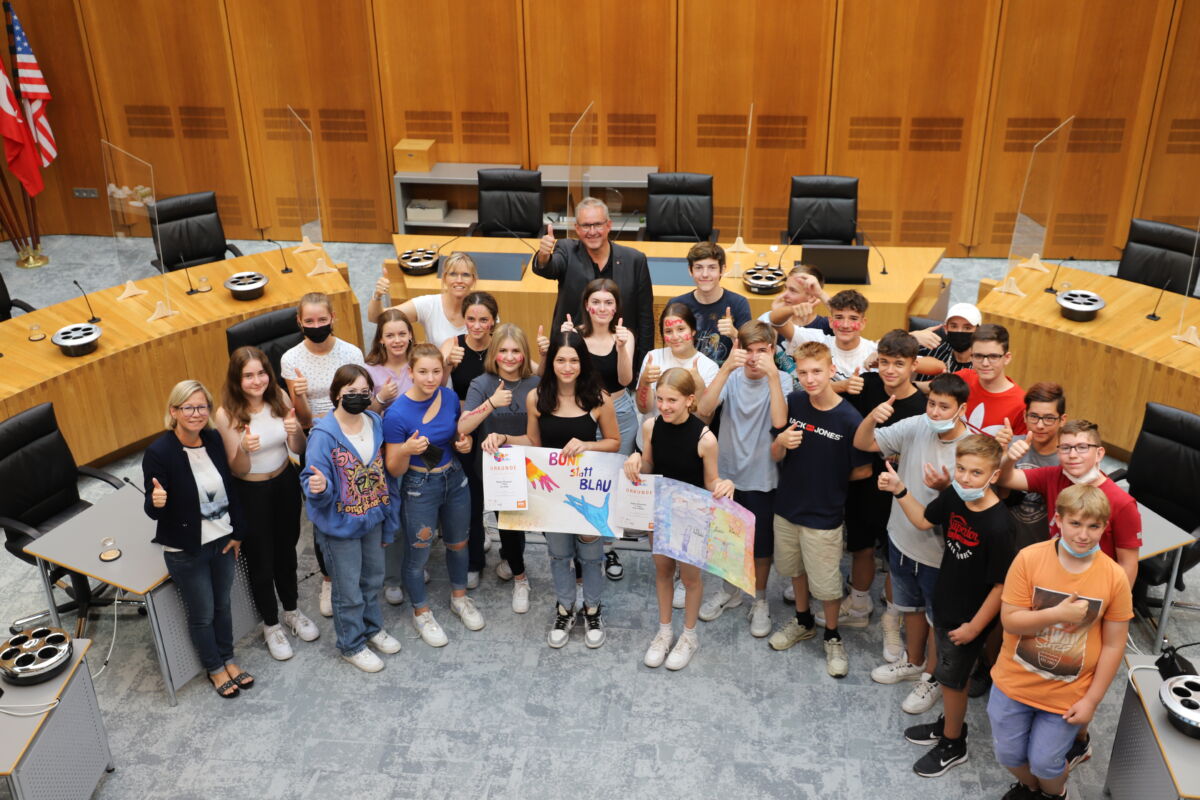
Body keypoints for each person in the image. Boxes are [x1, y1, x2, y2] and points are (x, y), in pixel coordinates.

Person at [879, 435, 1016, 778]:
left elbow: (1002, 586)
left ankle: (953, 744)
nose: (966, 478)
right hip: (946, 602)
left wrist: (974, 627)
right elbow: (925, 520)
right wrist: (899, 489)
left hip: (969, 617)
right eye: (961, 469)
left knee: (953, 682)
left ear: (994, 476)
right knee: (946, 672)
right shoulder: (955, 495)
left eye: (976, 472)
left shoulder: (1000, 526)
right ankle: (947, 726)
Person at [987, 484, 1132, 800]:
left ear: (1104, 527)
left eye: (1094, 526)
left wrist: (1091, 701)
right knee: (1009, 754)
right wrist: (1057, 614)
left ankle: (1054, 794)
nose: (1083, 534)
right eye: (1075, 523)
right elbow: (1010, 619)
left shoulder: (1114, 577)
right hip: (1014, 683)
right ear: (1058, 520)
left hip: (1067, 693)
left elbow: (1113, 644)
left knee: (1046, 761)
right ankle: (1031, 788)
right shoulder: (1029, 559)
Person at [854, 372, 972, 714]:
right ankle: (914, 661)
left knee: (938, 620)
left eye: (943, 407)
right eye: (932, 403)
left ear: (961, 409)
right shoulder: (917, 423)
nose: (934, 412)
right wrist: (870, 419)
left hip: (939, 554)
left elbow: (968, 510)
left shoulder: (969, 450)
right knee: (911, 609)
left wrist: (945, 490)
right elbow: (865, 443)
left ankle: (931, 678)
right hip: (901, 539)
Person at [767, 341, 872, 678]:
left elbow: (863, 470)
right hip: (786, 508)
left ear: (831, 371)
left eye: (816, 371)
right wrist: (781, 443)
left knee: (826, 585)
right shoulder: (794, 402)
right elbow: (775, 454)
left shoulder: (849, 418)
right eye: (803, 372)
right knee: (794, 570)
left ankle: (831, 633)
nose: (810, 379)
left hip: (824, 515)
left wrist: (829, 478)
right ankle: (802, 621)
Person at [142, 380, 253, 698]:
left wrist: (238, 532)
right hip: (186, 550)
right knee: (203, 613)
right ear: (174, 411)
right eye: (188, 407)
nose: (196, 413)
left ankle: (229, 659)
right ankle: (215, 669)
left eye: (202, 406)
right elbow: (153, 509)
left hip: (222, 541)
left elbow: (231, 489)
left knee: (223, 606)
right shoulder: (159, 452)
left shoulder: (213, 439)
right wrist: (156, 502)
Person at [214, 346, 319, 661]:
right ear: (237, 379)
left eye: (261, 373)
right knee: (261, 561)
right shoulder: (226, 414)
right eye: (248, 375)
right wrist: (244, 448)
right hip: (252, 492)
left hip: (285, 482)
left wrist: (297, 431)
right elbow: (238, 469)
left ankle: (291, 610)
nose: (257, 380)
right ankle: (270, 624)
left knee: (287, 552)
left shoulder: (280, 398)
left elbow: (298, 448)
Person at [627, 368, 734, 670]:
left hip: (692, 516)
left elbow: (711, 482)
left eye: (672, 400)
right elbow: (648, 465)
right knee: (662, 571)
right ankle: (664, 631)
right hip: (660, 510)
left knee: (690, 578)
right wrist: (636, 459)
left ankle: (689, 635)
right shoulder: (650, 427)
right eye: (660, 399)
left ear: (690, 400)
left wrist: (727, 485)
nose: (664, 406)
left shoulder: (705, 439)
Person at [299, 365, 402, 673]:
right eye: (350, 393)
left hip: (372, 517)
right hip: (340, 525)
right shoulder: (323, 435)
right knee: (348, 590)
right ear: (336, 395)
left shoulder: (374, 420)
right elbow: (312, 479)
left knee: (372, 579)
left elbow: (383, 473)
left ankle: (372, 629)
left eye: (364, 392)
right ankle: (351, 643)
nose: (358, 398)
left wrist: (389, 517)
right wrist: (318, 487)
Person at [524, 331, 620, 649]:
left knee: (591, 556)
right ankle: (565, 607)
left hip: (587, 491)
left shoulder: (598, 398)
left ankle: (592, 608)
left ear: (583, 362)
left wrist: (587, 444)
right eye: (561, 360)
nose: (567, 367)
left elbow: (615, 442)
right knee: (558, 554)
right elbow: (533, 443)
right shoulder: (537, 398)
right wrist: (500, 439)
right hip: (551, 493)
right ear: (551, 362)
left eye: (574, 360)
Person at [694, 320, 790, 636]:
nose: (753, 358)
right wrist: (724, 370)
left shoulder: (784, 381)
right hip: (727, 475)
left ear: (773, 351)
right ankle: (729, 591)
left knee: (761, 548)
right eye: (747, 351)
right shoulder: (732, 378)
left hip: (764, 477)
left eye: (761, 351)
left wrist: (774, 375)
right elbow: (703, 411)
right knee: (727, 541)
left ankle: (759, 599)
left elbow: (779, 423)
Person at [383, 344, 479, 647]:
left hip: (454, 478)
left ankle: (459, 598)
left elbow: (455, 436)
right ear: (410, 372)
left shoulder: (449, 397)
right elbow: (393, 469)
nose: (430, 378)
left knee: (459, 543)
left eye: (437, 371)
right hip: (418, 486)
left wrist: (465, 443)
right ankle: (421, 612)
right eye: (423, 371)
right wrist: (406, 451)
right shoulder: (396, 414)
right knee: (418, 553)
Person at [279, 291, 367, 617]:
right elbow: (301, 419)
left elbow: (357, 401)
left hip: (349, 434)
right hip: (315, 438)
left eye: (322, 319)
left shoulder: (350, 352)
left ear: (333, 319)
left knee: (355, 501)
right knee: (321, 510)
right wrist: (299, 397)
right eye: (309, 321)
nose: (316, 325)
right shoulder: (291, 359)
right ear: (300, 322)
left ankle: (358, 568)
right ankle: (328, 577)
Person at [840, 330, 928, 649]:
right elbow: (845, 421)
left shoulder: (921, 405)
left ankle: (893, 617)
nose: (890, 370)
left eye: (899, 364)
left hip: (899, 492)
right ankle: (860, 602)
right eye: (885, 362)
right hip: (863, 483)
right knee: (861, 546)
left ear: (913, 365)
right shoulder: (868, 384)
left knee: (894, 559)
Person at [998, 419, 1141, 588]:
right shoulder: (1054, 475)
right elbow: (1005, 478)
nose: (1072, 455)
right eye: (1065, 448)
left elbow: (1128, 565)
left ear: (1100, 454)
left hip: (1093, 584)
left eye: (1082, 447)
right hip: (1054, 572)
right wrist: (1009, 459)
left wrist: (1113, 608)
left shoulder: (1122, 503)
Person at [459, 323, 541, 614]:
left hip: (530, 467)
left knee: (524, 525)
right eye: (503, 351)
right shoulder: (481, 384)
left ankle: (512, 559)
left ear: (524, 353)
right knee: (506, 524)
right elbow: (464, 426)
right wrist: (491, 404)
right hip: (497, 472)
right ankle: (521, 578)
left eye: (516, 351)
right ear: (494, 354)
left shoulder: (536, 383)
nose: (509, 357)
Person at [562, 278, 637, 579]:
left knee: (612, 484)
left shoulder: (624, 335)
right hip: (583, 412)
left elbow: (626, 379)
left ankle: (605, 548)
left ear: (616, 306)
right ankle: (581, 547)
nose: (602, 308)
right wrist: (564, 342)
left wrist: (621, 349)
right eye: (597, 302)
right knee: (584, 481)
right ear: (586, 305)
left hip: (620, 410)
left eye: (609, 302)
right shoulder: (575, 335)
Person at [534, 197, 654, 364]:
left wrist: (643, 366)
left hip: (620, 356)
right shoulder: (567, 250)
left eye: (597, 224)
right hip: (573, 355)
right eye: (585, 225)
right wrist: (544, 256)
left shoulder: (635, 260)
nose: (592, 231)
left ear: (609, 225)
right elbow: (549, 268)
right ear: (576, 228)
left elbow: (645, 318)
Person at [442, 291, 499, 590]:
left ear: (493, 322)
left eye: (483, 320)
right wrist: (448, 365)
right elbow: (432, 387)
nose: (476, 326)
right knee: (472, 496)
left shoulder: (501, 346)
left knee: (506, 495)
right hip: (466, 427)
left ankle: (511, 558)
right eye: (471, 319)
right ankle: (475, 560)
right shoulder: (453, 345)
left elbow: (528, 373)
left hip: (499, 428)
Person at [367, 251, 477, 347]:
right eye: (453, 274)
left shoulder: (482, 308)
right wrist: (377, 295)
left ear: (473, 279)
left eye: (465, 275)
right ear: (444, 278)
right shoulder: (429, 304)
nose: (459, 280)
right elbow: (376, 318)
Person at [1005, 382, 1067, 551]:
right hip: (1006, 545)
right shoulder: (1010, 446)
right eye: (1034, 417)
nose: (1040, 425)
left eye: (1048, 418)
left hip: (1044, 551)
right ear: (1025, 417)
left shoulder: (1069, 459)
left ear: (1062, 420)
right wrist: (1003, 458)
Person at [668, 241, 751, 365]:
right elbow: (669, 350)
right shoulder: (677, 305)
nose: (705, 274)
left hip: (726, 377)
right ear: (690, 270)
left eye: (712, 268)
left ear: (722, 270)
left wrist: (734, 334)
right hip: (686, 374)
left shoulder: (739, 304)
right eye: (698, 268)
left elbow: (750, 352)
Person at [777, 289, 878, 390]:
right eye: (839, 317)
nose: (845, 325)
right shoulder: (817, 341)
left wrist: (881, 355)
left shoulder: (875, 352)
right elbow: (776, 322)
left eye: (853, 319)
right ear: (830, 321)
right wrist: (792, 310)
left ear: (863, 323)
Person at [955, 324, 1027, 438]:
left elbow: (1021, 450)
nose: (985, 363)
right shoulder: (962, 378)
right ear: (971, 357)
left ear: (1007, 358)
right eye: (978, 356)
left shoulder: (1021, 404)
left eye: (993, 356)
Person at [363, 308, 415, 415]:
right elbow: (366, 416)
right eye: (390, 336)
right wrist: (381, 398)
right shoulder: (369, 370)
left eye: (402, 334)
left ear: (410, 335)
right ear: (381, 339)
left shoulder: (419, 362)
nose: (397, 340)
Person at [910, 302, 981, 375]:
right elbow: (899, 354)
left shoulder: (984, 365)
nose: (959, 331)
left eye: (967, 328)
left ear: (978, 330)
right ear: (946, 329)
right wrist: (911, 337)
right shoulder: (934, 347)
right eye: (954, 326)